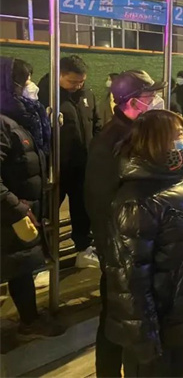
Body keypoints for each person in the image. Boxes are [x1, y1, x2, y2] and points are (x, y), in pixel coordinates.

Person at [105, 110, 183, 377]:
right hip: (158, 333)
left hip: (178, 324)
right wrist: (144, 339)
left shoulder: (175, 183)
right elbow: (130, 279)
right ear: (156, 142)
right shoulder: (139, 200)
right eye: (178, 135)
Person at [85, 69, 164, 377]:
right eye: (149, 96)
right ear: (131, 102)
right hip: (120, 251)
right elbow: (100, 203)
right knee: (115, 319)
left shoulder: (137, 131)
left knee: (131, 319)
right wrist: (113, 254)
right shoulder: (110, 142)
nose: (154, 101)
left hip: (136, 246)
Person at [0, 57, 63, 338]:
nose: (31, 86)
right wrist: (17, 207)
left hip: (20, 209)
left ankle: (29, 319)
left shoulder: (20, 118)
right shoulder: (3, 123)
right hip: (10, 212)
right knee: (17, 265)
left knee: (21, 266)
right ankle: (27, 322)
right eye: (25, 81)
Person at [38, 55, 99, 268]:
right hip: (55, 167)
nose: (78, 85)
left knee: (82, 209)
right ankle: (44, 258)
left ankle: (83, 249)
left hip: (82, 166)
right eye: (72, 81)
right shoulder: (44, 96)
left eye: (81, 81)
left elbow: (96, 124)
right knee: (47, 213)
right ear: (59, 74)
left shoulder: (87, 95)